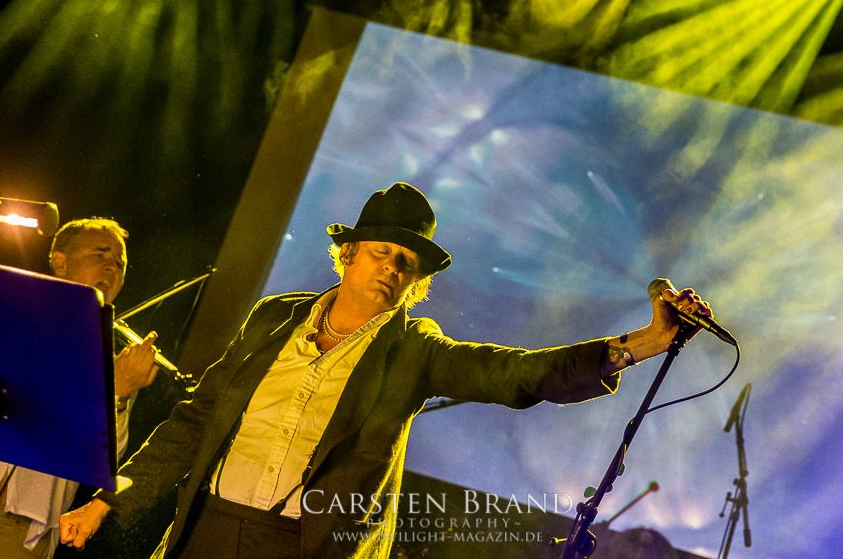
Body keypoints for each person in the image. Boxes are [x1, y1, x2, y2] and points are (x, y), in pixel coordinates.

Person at [60, 183, 713, 558]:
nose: (393, 268)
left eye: (407, 262)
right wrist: (111, 498)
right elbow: (193, 419)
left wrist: (644, 342)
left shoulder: (413, 347)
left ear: (416, 281)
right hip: (204, 530)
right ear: (347, 254)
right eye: (381, 252)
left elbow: (516, 374)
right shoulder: (274, 318)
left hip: (303, 546)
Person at [0, 218, 159, 558]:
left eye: (120, 263)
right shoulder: (5, 317)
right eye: (99, 254)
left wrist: (119, 392)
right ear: (59, 261)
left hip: (25, 529)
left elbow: (103, 460)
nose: (112, 267)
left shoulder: (111, 362)